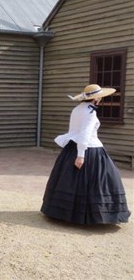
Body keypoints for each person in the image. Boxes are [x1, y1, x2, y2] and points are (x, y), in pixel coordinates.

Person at [41, 84, 130, 224]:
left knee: (71, 180)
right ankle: (97, 215)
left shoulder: (77, 109)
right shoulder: (90, 112)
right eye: (100, 97)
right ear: (96, 99)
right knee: (102, 179)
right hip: (88, 148)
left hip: (72, 147)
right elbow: (85, 134)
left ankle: (63, 212)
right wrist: (81, 154)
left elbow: (74, 131)